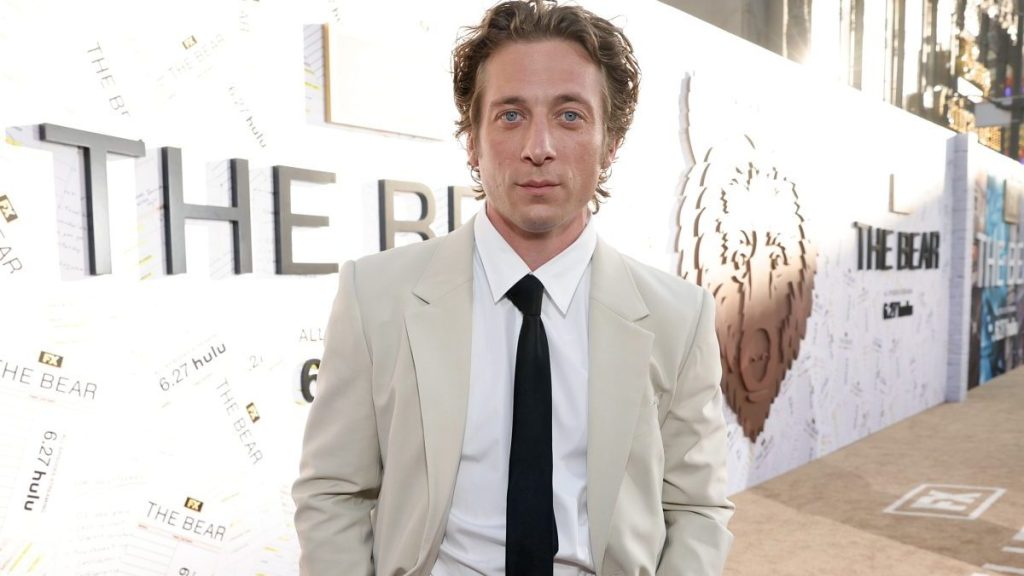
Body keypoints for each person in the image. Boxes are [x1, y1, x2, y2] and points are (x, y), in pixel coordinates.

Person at [292, 1, 734, 574]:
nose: (539, 146)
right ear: (472, 141)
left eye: (571, 115)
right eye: (510, 115)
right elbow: (333, 494)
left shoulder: (679, 316)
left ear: (611, 143)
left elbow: (696, 507)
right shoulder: (375, 296)